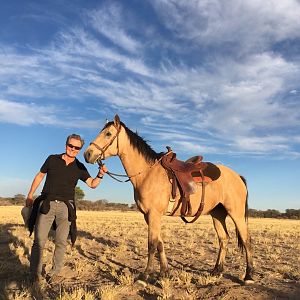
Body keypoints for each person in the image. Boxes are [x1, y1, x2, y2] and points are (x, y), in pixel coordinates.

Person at [26, 134, 107, 284]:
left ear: (79, 149)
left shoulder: (80, 167)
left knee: (61, 242)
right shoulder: (52, 159)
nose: (73, 149)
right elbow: (39, 176)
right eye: (71, 146)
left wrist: (100, 175)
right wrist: (30, 194)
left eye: (77, 148)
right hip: (47, 205)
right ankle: (35, 275)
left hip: (66, 207)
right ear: (66, 145)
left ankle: (55, 273)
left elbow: (92, 184)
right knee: (39, 241)